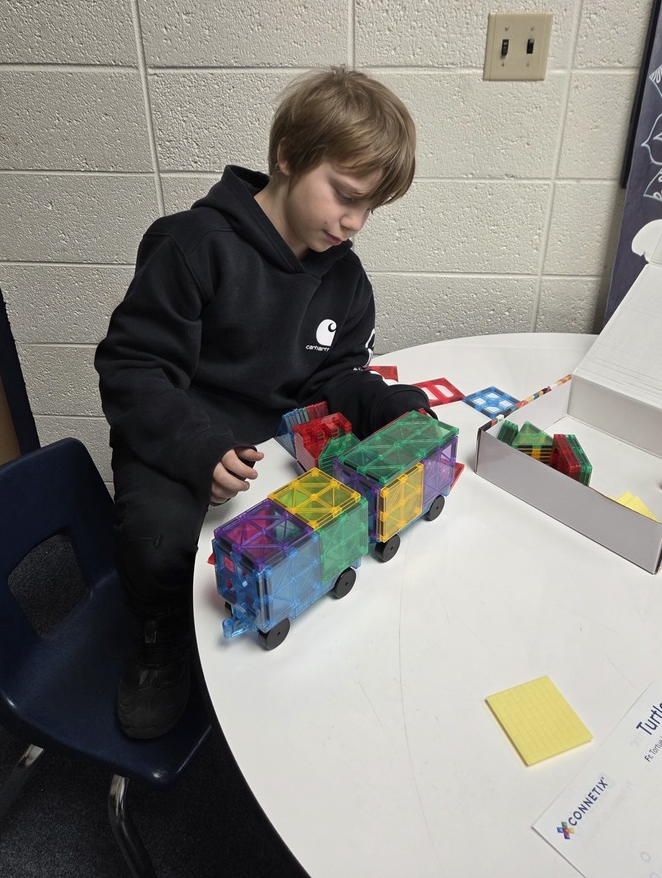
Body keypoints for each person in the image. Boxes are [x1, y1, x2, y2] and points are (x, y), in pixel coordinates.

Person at [95, 66, 431, 739]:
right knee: (158, 544)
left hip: (270, 441)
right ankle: (160, 641)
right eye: (346, 196)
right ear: (288, 157)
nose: (355, 222)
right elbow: (132, 370)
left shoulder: (345, 278)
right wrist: (197, 448)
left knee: (336, 524)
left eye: (370, 209)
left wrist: (388, 407)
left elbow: (337, 377)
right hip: (175, 431)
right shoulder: (191, 246)